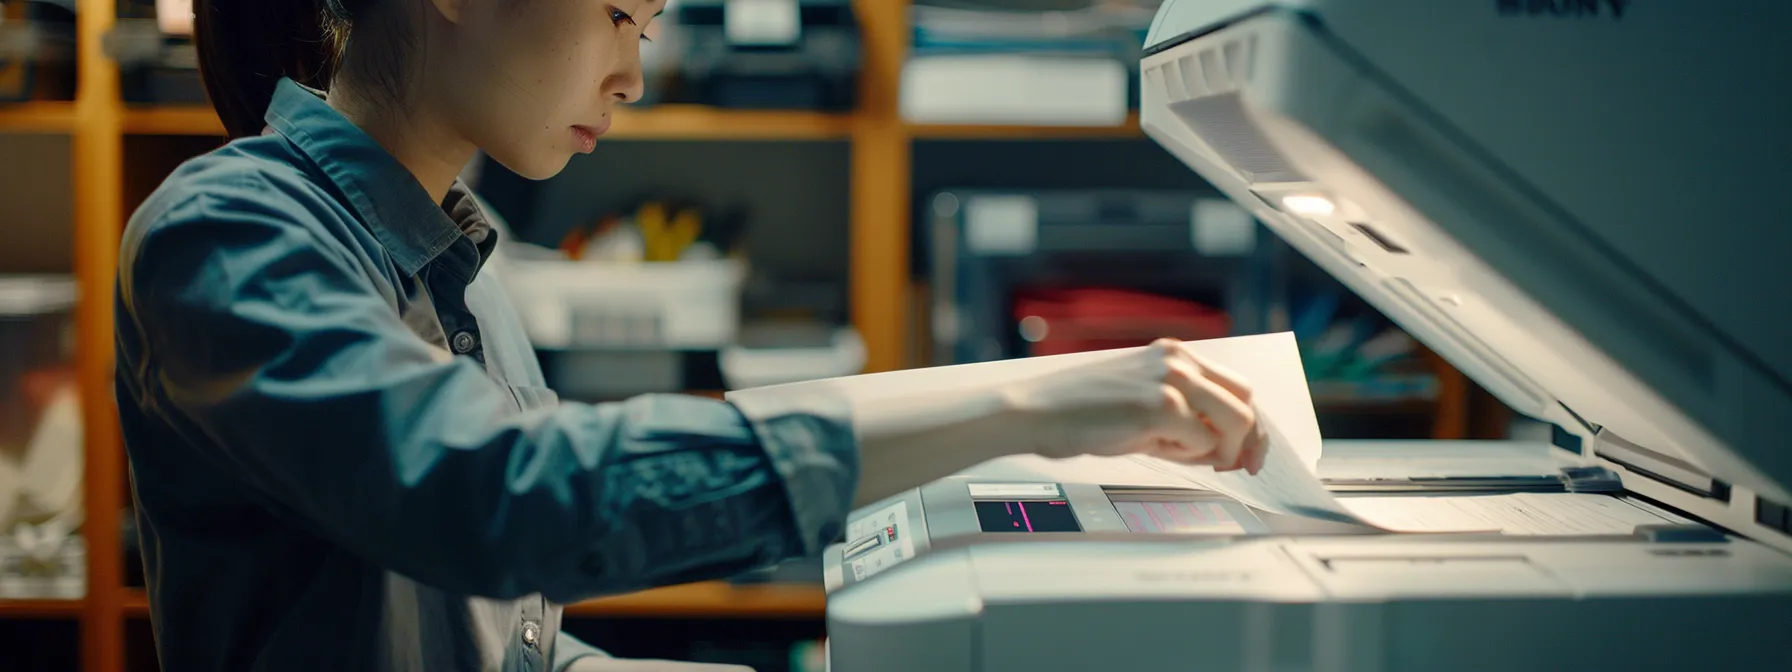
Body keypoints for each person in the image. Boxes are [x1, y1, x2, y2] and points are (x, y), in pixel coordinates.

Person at [111, 0, 1270, 670]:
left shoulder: (462, 262)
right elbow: (509, 502)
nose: (632, 73)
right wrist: (1031, 402)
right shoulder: (227, 232)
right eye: (618, 14)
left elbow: (503, 643)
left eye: (654, 24)